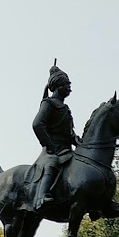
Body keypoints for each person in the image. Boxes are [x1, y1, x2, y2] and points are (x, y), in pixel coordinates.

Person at [31, 62, 78, 215]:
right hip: (52, 151)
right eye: (67, 84)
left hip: (66, 149)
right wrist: (49, 145)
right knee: (53, 163)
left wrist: (76, 140)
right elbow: (37, 124)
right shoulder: (48, 104)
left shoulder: (66, 108)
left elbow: (69, 133)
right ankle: (41, 196)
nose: (70, 87)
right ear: (58, 86)